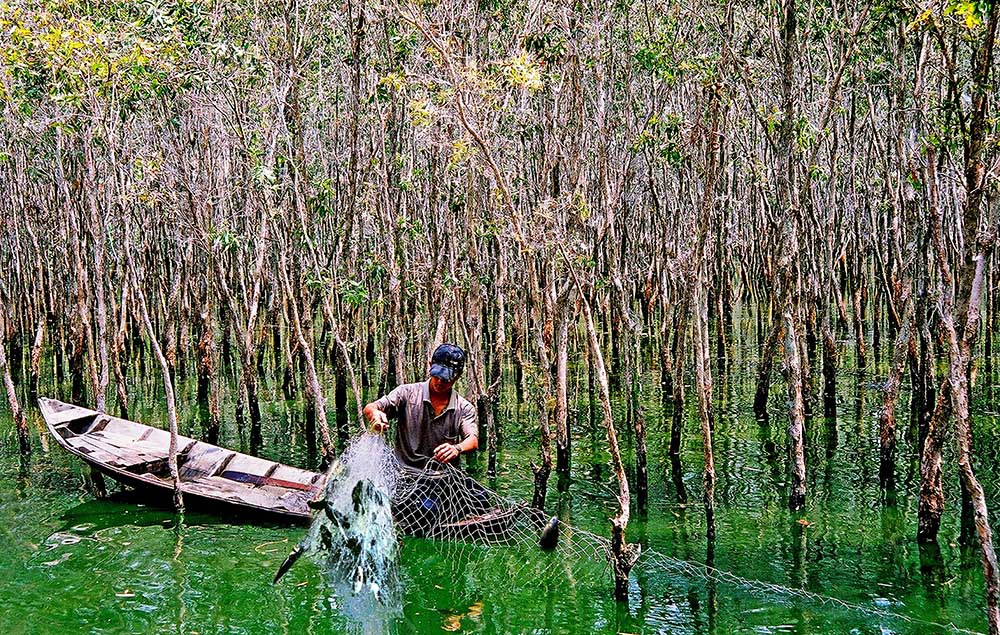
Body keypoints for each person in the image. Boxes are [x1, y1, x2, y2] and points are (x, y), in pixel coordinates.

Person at [363, 342, 479, 469]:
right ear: (430, 365)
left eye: (446, 378)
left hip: (443, 476)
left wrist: (457, 448)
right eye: (437, 374)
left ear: (458, 376)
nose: (440, 381)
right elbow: (371, 407)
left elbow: (472, 440)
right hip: (405, 474)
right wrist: (375, 414)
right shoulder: (406, 393)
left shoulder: (464, 408)